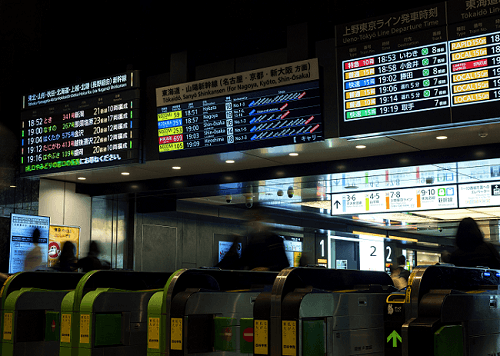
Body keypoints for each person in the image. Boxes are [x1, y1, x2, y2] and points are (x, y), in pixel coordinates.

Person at [238, 207, 290, 271]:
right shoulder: (252, 240)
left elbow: (283, 264)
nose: (253, 222)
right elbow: (243, 262)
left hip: (267, 279)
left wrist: (267, 269)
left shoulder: (273, 240)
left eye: (256, 218)